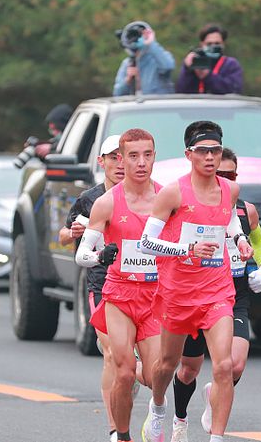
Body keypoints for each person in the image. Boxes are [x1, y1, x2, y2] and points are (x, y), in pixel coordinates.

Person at [138, 121, 253, 442]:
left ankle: (216, 437)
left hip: (217, 290)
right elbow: (147, 243)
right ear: (189, 154)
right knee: (166, 364)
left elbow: (228, 217)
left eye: (215, 150)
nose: (210, 157)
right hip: (178, 292)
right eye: (202, 151)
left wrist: (240, 240)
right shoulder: (173, 192)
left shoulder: (229, 189)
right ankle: (158, 405)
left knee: (224, 366)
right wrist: (187, 249)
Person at [170, 148, 261, 442]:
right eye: (220, 174)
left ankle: (216, 396)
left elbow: (259, 241)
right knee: (188, 369)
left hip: (234, 294)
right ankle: (179, 418)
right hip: (198, 292)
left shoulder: (245, 210)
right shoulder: (189, 204)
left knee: (232, 365)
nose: (225, 180)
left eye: (231, 175)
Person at [76, 129, 163, 442]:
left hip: (155, 297)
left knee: (155, 376)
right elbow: (82, 254)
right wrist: (102, 255)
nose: (141, 163)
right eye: (133, 156)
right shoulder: (105, 203)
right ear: (122, 160)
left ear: (155, 156)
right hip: (119, 294)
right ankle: (121, 435)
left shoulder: (167, 199)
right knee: (123, 368)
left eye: (147, 155)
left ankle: (156, 410)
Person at [58, 134, 124, 440]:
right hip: (101, 282)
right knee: (112, 355)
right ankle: (115, 431)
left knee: (143, 368)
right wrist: (73, 232)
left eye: (125, 156)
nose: (121, 164)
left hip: (143, 286)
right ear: (102, 162)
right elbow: (62, 235)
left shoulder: (150, 198)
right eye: (114, 158)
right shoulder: (90, 199)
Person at [175, 24, 244, 95]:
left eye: (217, 43)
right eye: (209, 44)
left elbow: (233, 91)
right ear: (202, 44)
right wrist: (187, 70)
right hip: (195, 104)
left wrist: (208, 76)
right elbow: (181, 91)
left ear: (223, 44)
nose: (213, 47)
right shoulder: (194, 61)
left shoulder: (231, 64)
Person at [113, 21, 176, 96]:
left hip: (159, 105)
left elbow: (168, 66)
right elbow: (117, 94)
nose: (136, 39)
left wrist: (150, 43)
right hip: (137, 106)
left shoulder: (157, 58)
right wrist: (128, 79)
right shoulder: (127, 64)